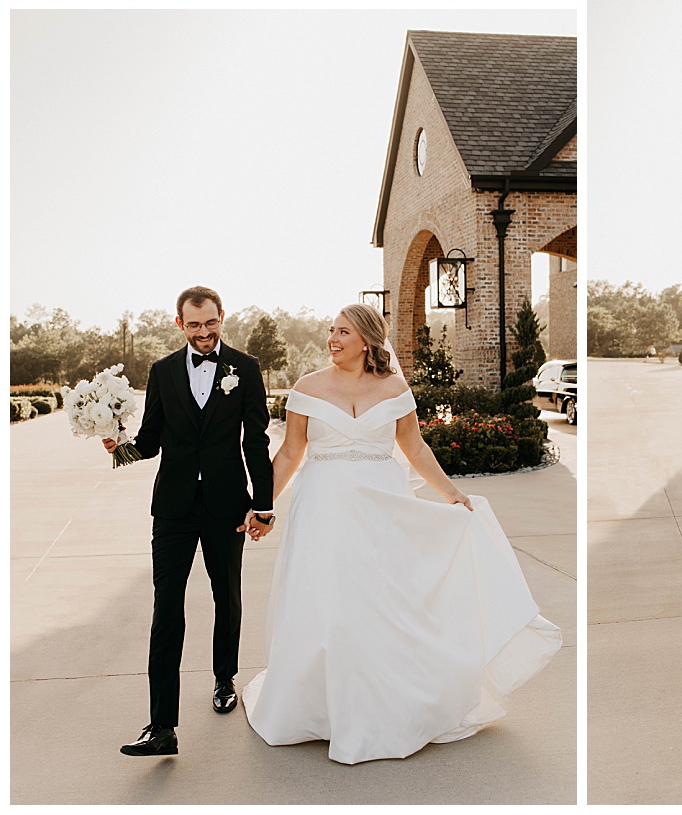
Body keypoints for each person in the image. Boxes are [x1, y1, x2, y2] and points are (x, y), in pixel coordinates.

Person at [242, 305, 561, 763]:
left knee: (385, 603)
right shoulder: (307, 387)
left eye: (343, 332)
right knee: (327, 605)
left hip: (382, 511)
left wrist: (451, 493)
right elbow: (291, 452)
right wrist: (264, 506)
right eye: (331, 331)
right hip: (323, 512)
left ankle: (388, 703)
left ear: (368, 340)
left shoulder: (394, 389)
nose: (333, 339)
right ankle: (321, 708)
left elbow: (414, 446)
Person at [104, 286, 274, 758]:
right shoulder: (161, 371)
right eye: (193, 325)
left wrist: (263, 504)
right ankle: (161, 726)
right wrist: (119, 448)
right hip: (174, 509)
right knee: (166, 610)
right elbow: (150, 440)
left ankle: (225, 678)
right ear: (180, 324)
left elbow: (255, 441)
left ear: (223, 318)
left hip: (226, 505)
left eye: (210, 323)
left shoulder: (246, 368)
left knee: (228, 596)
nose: (203, 333)